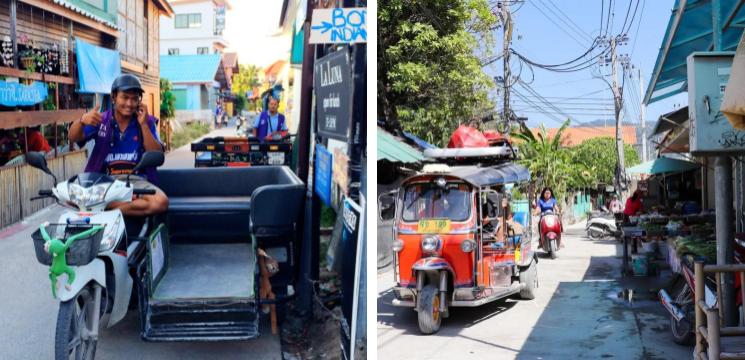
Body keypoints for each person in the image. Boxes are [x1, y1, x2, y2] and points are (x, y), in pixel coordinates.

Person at [68, 74, 168, 217]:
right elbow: (72, 137)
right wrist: (82, 121)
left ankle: (101, 209)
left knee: (160, 202)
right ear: (114, 97)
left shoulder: (147, 121)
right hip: (105, 181)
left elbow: (157, 154)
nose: (129, 103)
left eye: (134, 98)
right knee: (72, 198)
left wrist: (144, 125)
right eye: (125, 97)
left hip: (136, 182)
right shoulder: (101, 120)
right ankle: (118, 205)